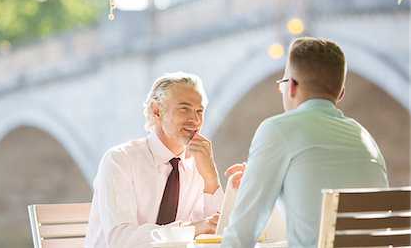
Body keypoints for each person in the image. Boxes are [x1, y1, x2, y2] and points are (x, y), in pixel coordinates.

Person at [221, 37, 389, 247]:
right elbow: (315, 216)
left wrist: (254, 186)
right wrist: (265, 177)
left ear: (290, 87)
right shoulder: (364, 137)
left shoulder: (277, 130)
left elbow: (241, 236)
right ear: (340, 94)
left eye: (282, 86)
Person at [85, 72, 223, 247]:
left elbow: (217, 232)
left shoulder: (198, 165)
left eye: (199, 111)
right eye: (184, 109)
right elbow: (120, 239)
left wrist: (211, 177)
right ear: (156, 111)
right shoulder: (119, 160)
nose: (195, 120)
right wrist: (191, 229)